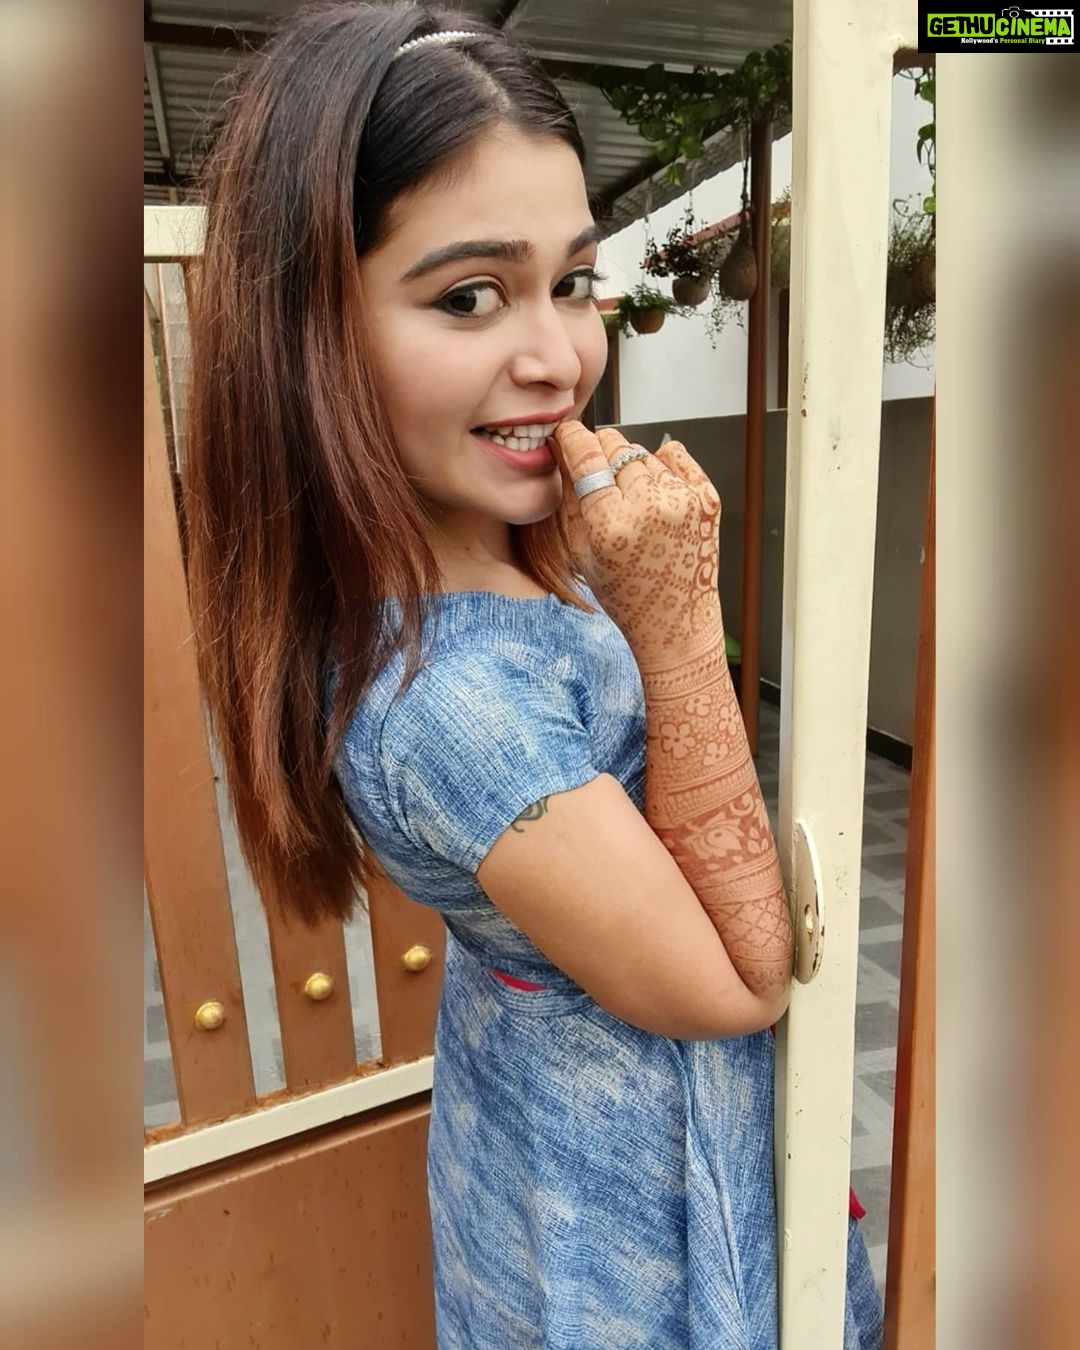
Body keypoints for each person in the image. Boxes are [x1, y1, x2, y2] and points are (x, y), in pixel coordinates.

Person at [183, 3, 884, 1345]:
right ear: (312, 332)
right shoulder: (447, 699)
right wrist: (678, 621)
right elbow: (737, 981)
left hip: (595, 1129)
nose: (559, 358)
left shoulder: (505, 551)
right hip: (619, 1222)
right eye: (468, 296)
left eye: (573, 282)